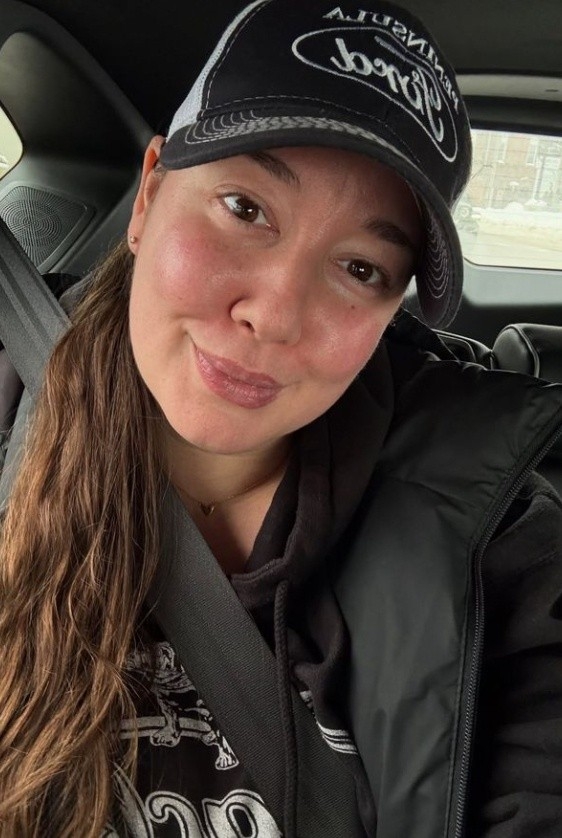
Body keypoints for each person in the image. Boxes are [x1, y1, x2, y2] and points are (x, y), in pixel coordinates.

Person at [1, 0, 562, 835]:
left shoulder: (498, 544)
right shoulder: (13, 405)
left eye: (361, 268)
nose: (275, 313)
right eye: (244, 208)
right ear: (149, 195)